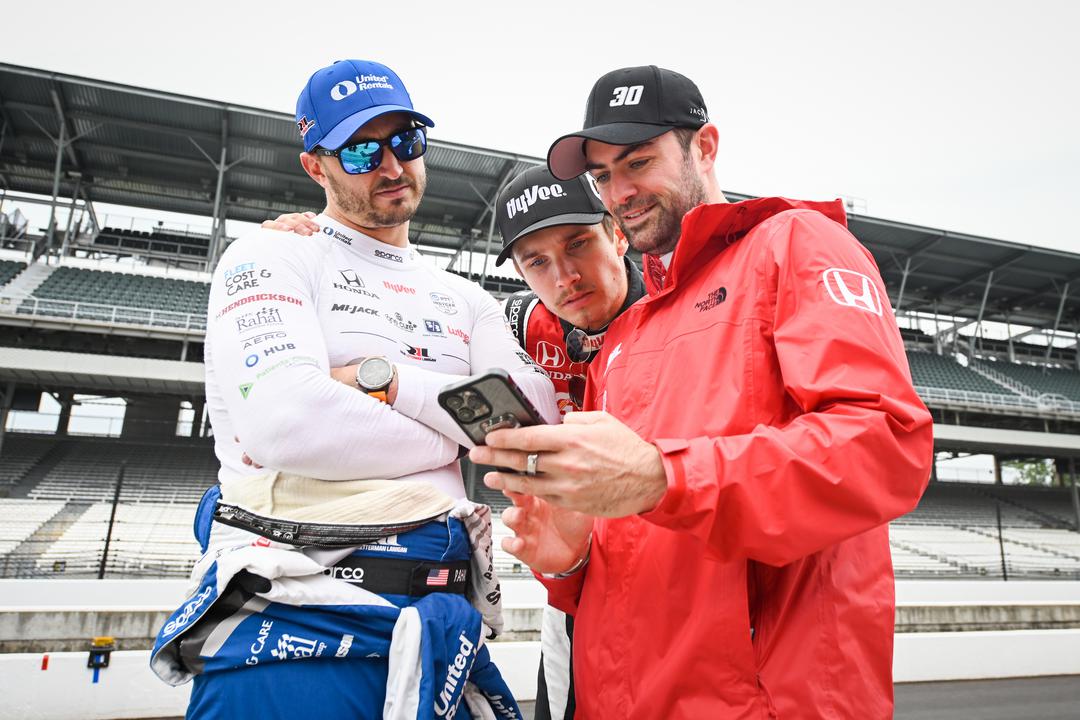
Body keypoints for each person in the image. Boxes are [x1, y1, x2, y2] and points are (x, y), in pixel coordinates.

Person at [469, 65, 935, 718]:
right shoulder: (627, 337)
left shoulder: (795, 243)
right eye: (603, 176)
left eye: (637, 162)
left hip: (766, 700)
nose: (620, 191)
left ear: (705, 147)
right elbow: (633, 556)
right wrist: (569, 563)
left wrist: (667, 476)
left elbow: (886, 447)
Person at [150, 59, 557, 720]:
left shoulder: (466, 299)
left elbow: (536, 431)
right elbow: (289, 423)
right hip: (292, 624)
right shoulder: (272, 256)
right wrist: (458, 432)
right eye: (363, 149)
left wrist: (388, 384)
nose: (392, 165)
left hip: (442, 631)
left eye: (407, 142)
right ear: (316, 166)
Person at [264, 163, 647, 720]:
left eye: (579, 244)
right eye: (536, 262)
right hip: (574, 581)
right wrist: (313, 248)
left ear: (616, 232)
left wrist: (383, 383)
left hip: (669, 558)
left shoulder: (676, 308)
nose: (565, 276)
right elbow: (405, 324)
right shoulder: (513, 320)